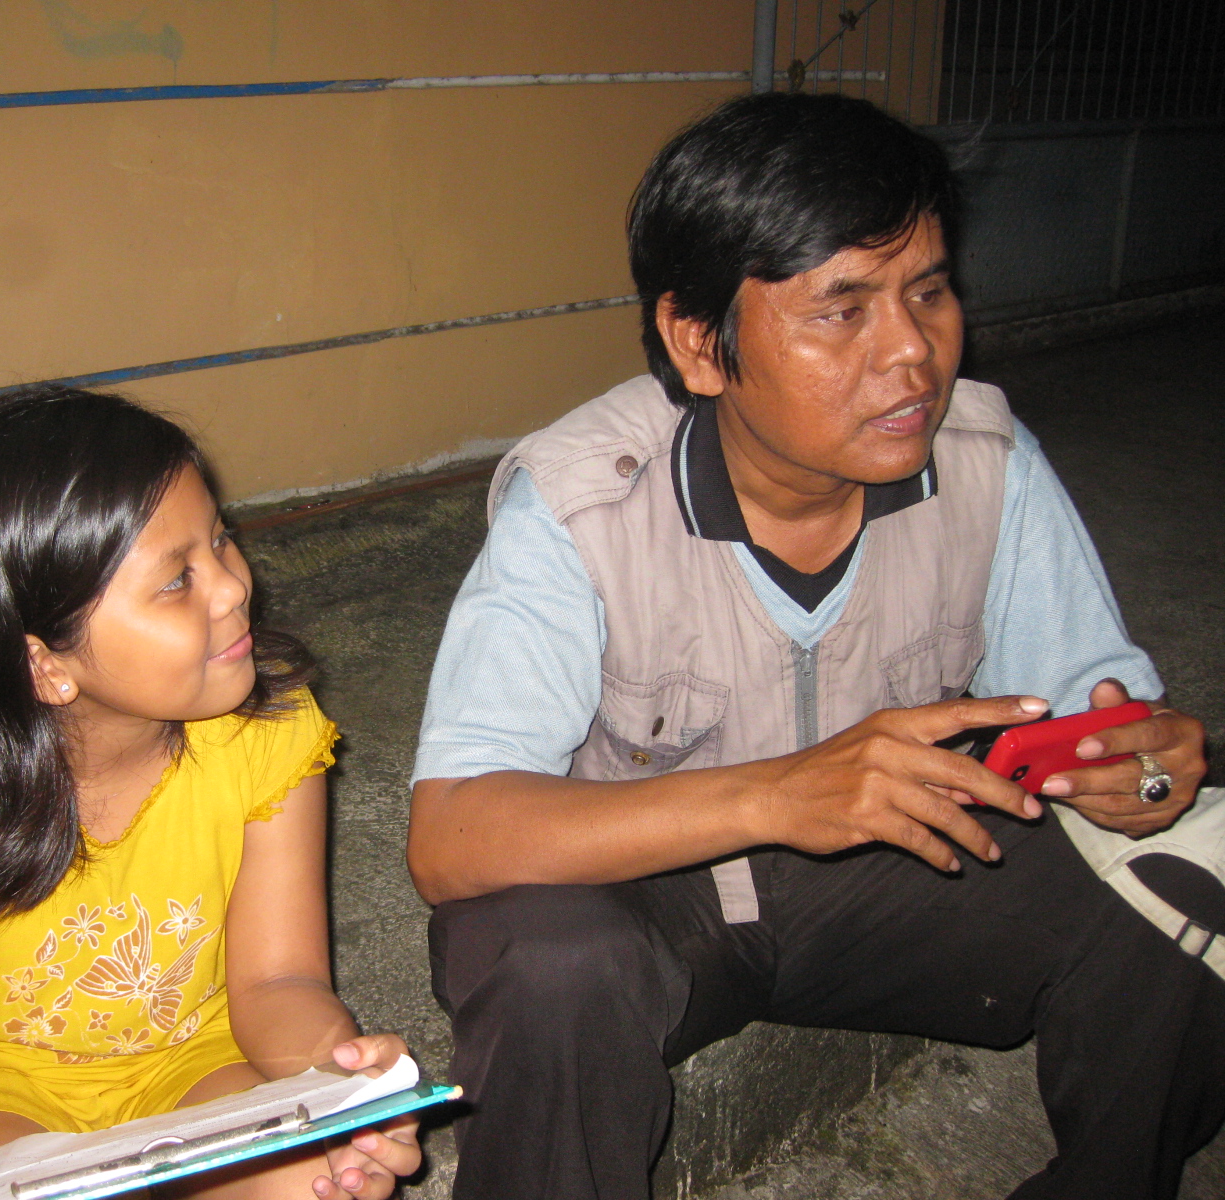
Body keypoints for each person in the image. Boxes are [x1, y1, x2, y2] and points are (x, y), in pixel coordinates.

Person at [408, 93, 1225, 1200]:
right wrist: (778, 793)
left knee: (1204, 861)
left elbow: (1099, 718)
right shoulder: (582, 504)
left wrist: (1139, 770)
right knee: (548, 962)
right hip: (658, 899)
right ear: (698, 343)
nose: (913, 353)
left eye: (928, 291)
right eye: (841, 310)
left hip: (899, 875)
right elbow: (452, 834)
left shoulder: (985, 459)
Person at [0, 387, 420, 1200]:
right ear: (44, 664)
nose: (233, 587)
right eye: (177, 580)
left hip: (201, 1067)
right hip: (1, 1103)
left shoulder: (267, 727)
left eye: (220, 541)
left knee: (318, 1180)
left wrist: (339, 1089)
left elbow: (278, 984)